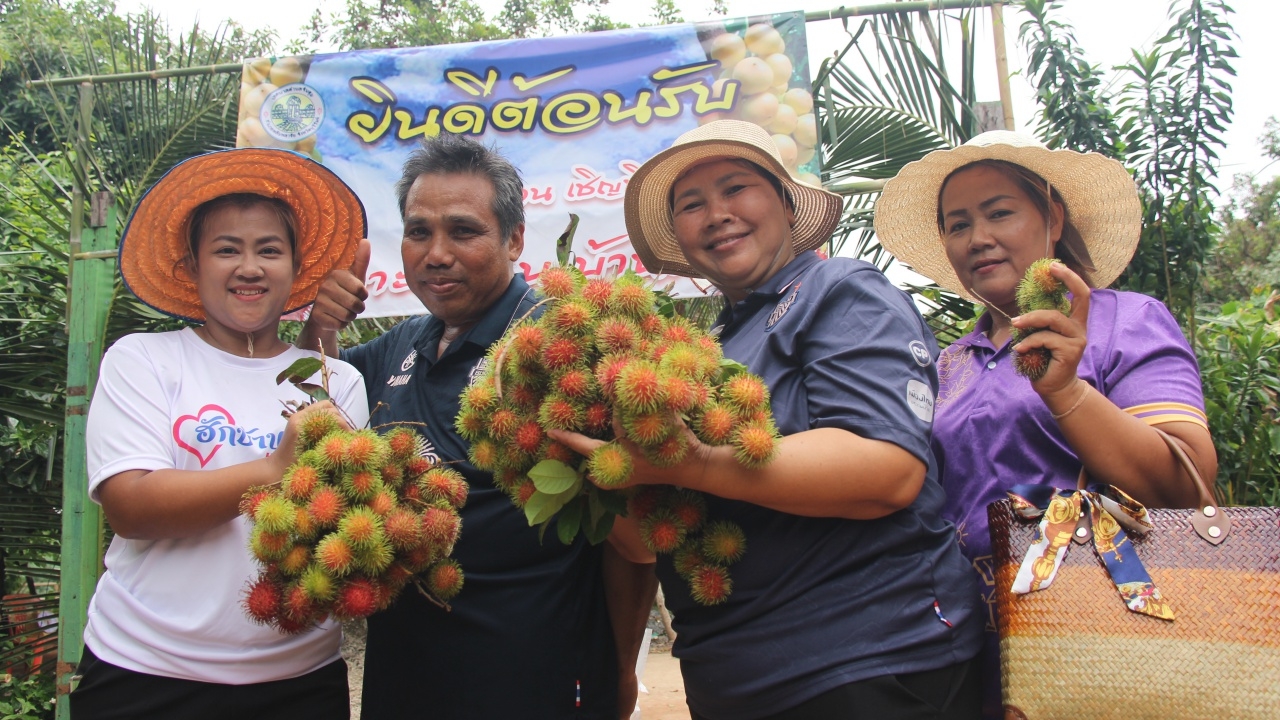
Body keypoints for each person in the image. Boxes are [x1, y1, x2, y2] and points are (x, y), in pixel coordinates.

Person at [552, 119, 985, 720]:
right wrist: (600, 468)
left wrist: (695, 461)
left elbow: (886, 470)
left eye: (736, 188)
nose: (716, 214)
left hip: (872, 668)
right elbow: (648, 543)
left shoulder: (840, 291)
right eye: (691, 204)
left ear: (784, 202)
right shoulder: (705, 351)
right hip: (730, 686)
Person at [296, 133, 656, 719]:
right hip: (404, 685)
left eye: (463, 231)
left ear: (514, 238)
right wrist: (320, 328)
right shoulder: (399, 347)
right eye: (419, 231)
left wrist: (617, 674)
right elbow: (307, 410)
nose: (437, 253)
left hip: (536, 686)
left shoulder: (563, 351)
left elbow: (631, 543)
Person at [874, 130, 1217, 718]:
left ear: (1052, 217)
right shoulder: (947, 363)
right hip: (964, 653)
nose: (977, 238)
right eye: (957, 225)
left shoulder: (1124, 322)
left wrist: (1064, 390)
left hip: (1097, 637)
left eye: (999, 212)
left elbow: (1187, 482)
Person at [73, 148, 371, 719]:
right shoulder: (144, 361)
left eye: (269, 250)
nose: (250, 267)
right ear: (192, 268)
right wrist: (271, 470)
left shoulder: (338, 381)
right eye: (226, 250)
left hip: (301, 682)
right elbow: (131, 507)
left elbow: (341, 521)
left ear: (295, 266)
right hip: (145, 673)